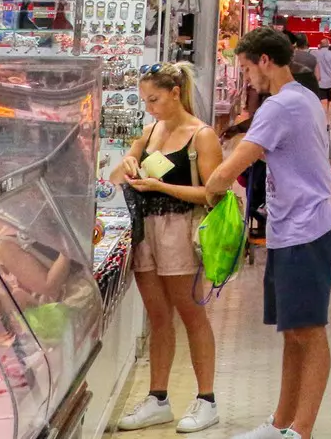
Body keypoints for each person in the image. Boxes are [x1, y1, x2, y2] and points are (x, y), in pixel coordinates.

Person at [130, 27, 331, 439]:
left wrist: (197, 186)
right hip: (291, 228)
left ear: (265, 61)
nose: (245, 77)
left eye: (245, 67)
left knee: (309, 332)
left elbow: (226, 172)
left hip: (304, 229)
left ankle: (301, 430)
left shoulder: (279, 107)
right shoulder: (304, 99)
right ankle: (281, 423)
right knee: (293, 332)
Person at [110, 63, 223, 433]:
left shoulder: (201, 136)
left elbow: (211, 192)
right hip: (147, 230)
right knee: (157, 317)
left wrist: (161, 187)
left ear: (176, 93)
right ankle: (158, 397)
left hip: (181, 228)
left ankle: (206, 399)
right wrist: (128, 162)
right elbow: (116, 176)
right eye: (145, 101)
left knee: (192, 315)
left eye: (154, 99)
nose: (150, 107)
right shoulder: (150, 131)